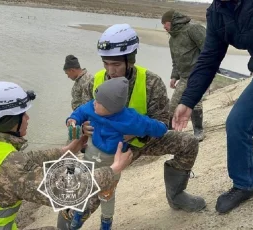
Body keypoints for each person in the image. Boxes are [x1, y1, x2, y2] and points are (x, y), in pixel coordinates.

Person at [57, 23, 206, 230]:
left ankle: (177, 196)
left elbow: (162, 122)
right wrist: (81, 131)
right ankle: (67, 221)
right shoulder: (94, 81)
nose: (111, 70)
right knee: (94, 187)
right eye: (106, 64)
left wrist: (138, 135)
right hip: (105, 146)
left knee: (188, 143)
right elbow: (79, 112)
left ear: (130, 59)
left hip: (142, 140)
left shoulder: (151, 82)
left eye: (116, 64)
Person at [0, 81, 134, 230]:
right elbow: (67, 192)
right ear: (11, 121)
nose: (27, 118)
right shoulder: (11, 168)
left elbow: (27, 159)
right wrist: (114, 168)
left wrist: (68, 150)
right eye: (23, 115)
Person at [172, 0, 253, 214]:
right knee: (237, 124)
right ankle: (244, 184)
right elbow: (209, 59)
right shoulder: (217, 12)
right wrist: (188, 101)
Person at [66, 77, 168, 229]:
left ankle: (106, 222)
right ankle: (78, 213)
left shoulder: (130, 119)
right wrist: (72, 120)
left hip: (112, 162)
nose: (94, 102)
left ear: (111, 107)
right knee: (83, 185)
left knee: (107, 195)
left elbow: (153, 126)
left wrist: (161, 127)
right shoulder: (92, 107)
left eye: (99, 102)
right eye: (95, 99)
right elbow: (79, 112)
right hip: (90, 155)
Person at [161, 10, 206, 141]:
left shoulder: (193, 29)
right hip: (184, 76)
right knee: (173, 104)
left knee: (196, 102)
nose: (164, 27)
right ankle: (168, 133)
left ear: (173, 22)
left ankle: (199, 130)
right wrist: (174, 76)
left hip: (198, 73)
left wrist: (206, 71)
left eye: (165, 23)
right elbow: (175, 60)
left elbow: (208, 49)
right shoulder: (172, 40)